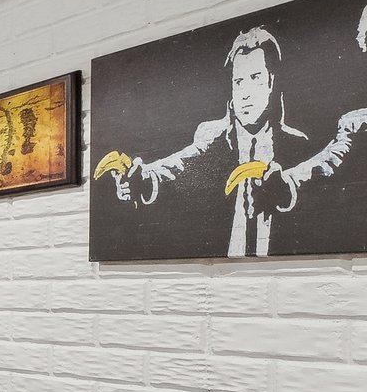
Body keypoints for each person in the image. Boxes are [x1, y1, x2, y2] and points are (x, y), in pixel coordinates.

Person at [93, 26, 311, 257]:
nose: (245, 93)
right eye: (238, 81)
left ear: (271, 81)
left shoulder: (296, 144)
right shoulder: (213, 136)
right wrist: (146, 178)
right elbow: (183, 164)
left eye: (255, 78)